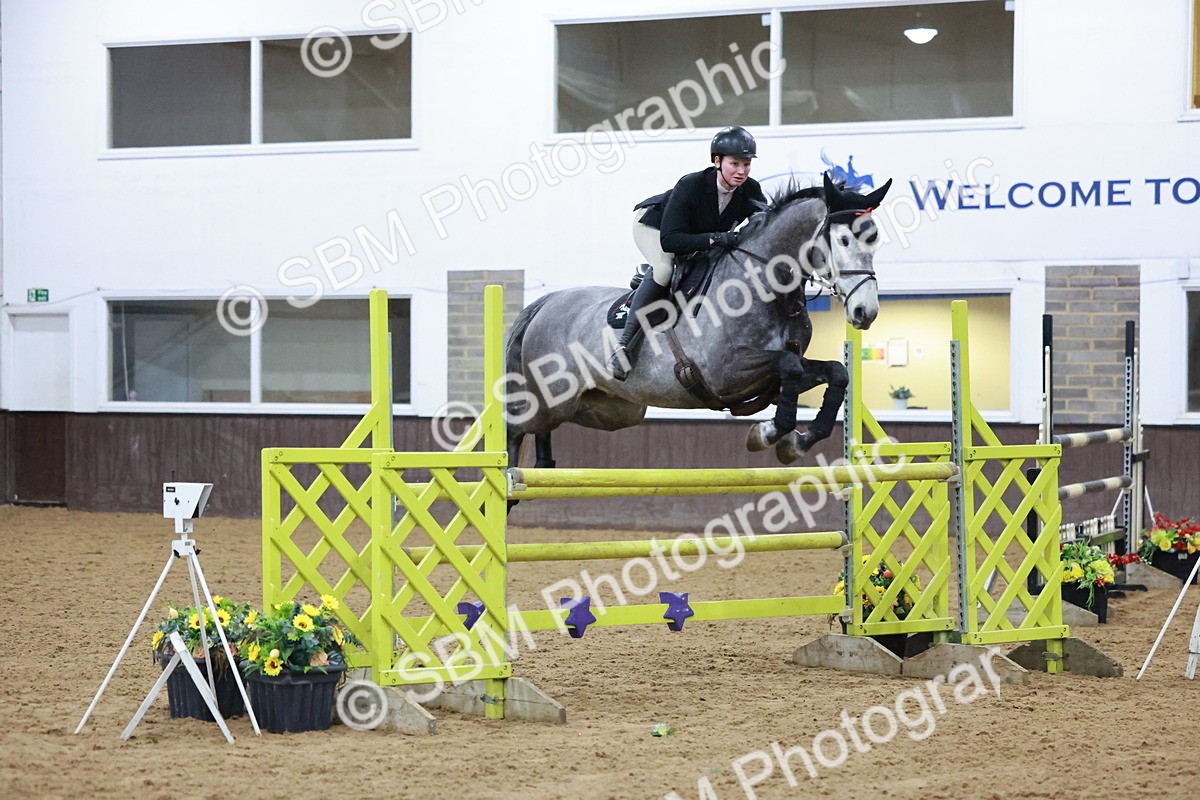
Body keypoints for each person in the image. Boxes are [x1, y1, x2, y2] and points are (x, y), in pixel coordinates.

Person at [611, 125, 767, 381]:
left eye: (747, 164)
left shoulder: (751, 189)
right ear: (717, 161)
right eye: (735, 163)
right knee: (663, 268)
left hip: (693, 234)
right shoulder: (691, 185)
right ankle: (623, 346)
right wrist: (717, 238)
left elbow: (762, 223)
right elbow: (671, 240)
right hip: (654, 225)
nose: (741, 171)